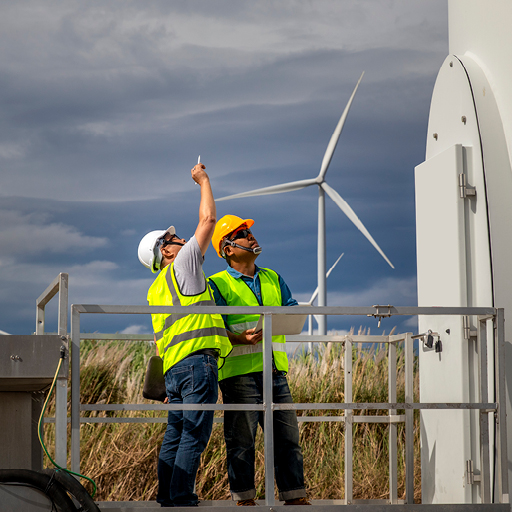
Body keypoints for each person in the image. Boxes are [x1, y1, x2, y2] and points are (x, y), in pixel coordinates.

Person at [137, 163, 231, 507]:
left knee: (175, 434)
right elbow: (208, 220)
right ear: (165, 250)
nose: (181, 240)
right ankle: (180, 497)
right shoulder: (184, 265)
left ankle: (167, 496)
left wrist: (164, 383)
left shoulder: (155, 290)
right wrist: (203, 180)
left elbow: (160, 340)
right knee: (195, 432)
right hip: (196, 366)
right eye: (174, 239)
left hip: (174, 371)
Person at [208, 215, 310, 506]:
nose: (251, 235)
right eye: (242, 233)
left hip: (275, 371)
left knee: (288, 438)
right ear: (228, 249)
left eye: (249, 231)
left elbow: (291, 310)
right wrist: (239, 338)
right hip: (239, 374)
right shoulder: (217, 284)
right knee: (241, 441)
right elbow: (214, 327)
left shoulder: (273, 277)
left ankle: (294, 497)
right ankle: (244, 499)